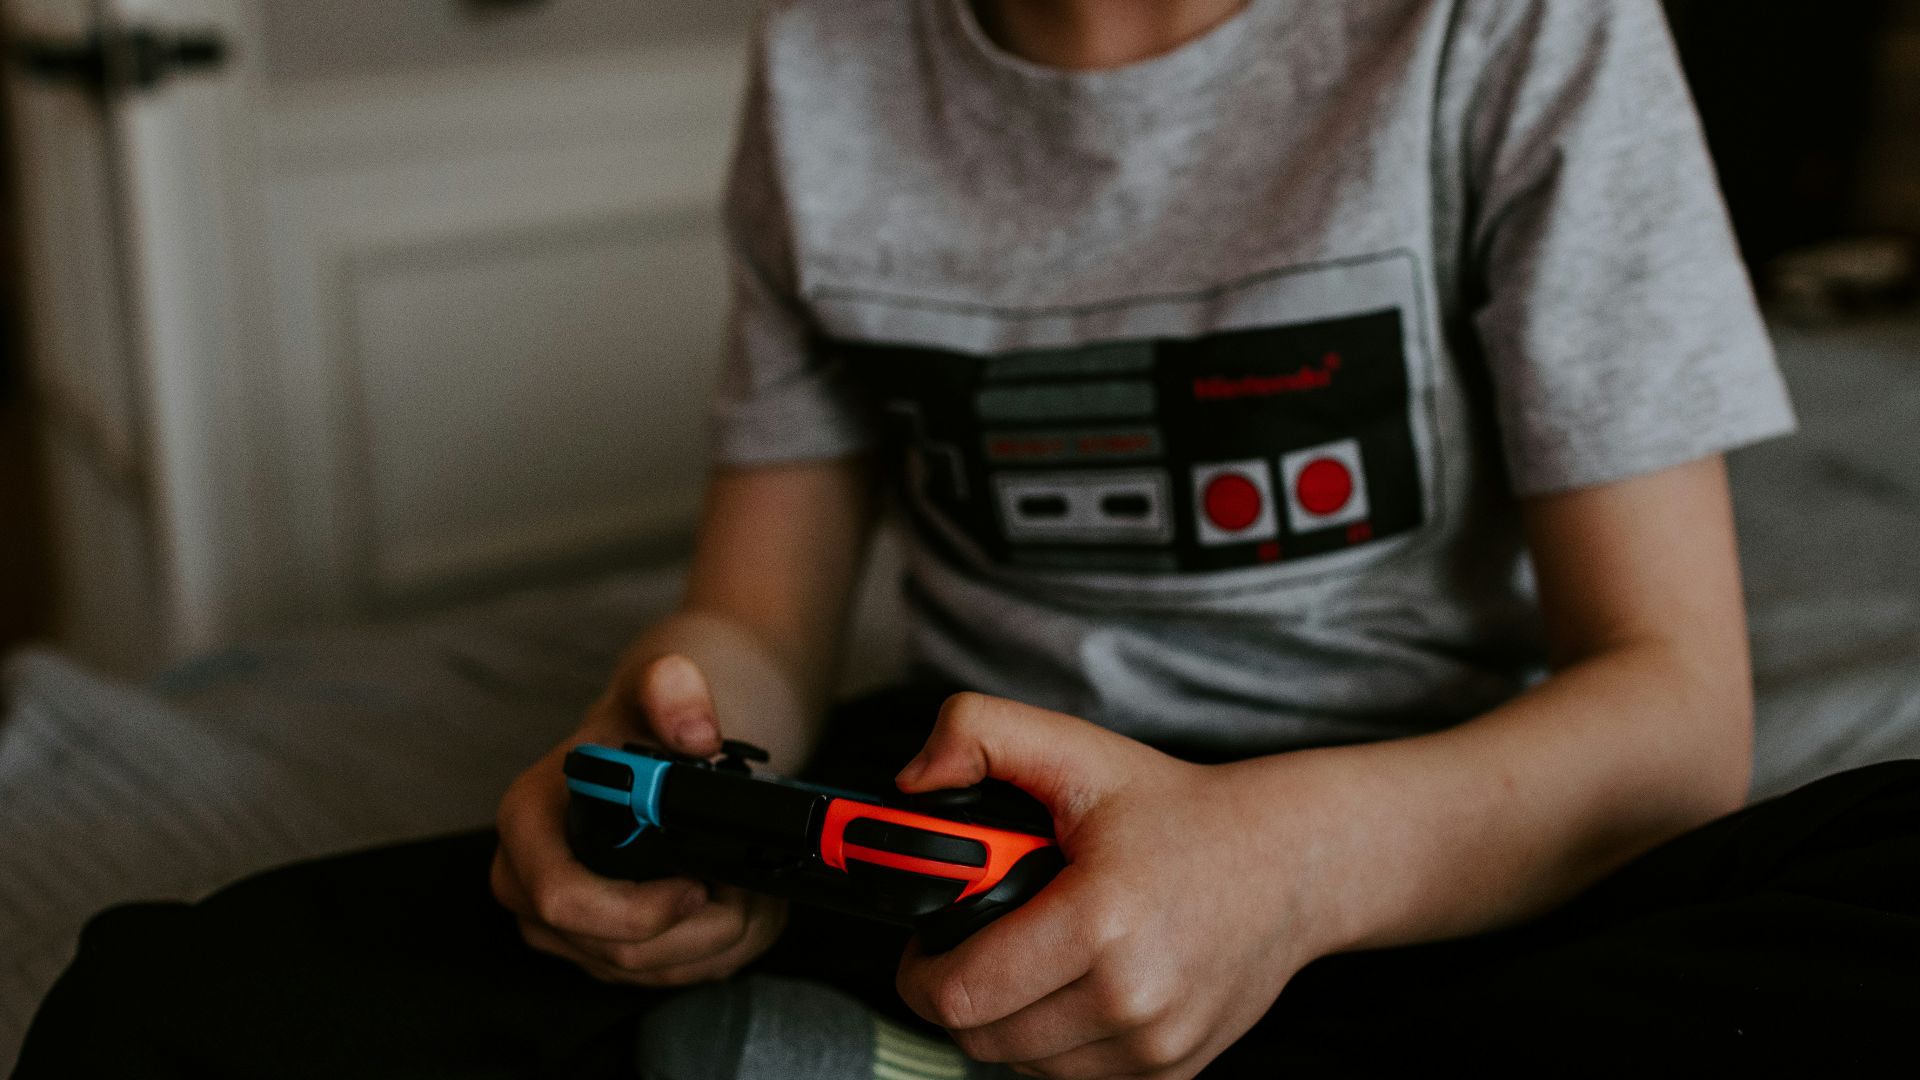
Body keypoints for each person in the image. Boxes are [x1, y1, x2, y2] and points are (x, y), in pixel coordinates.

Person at [17, 1, 1920, 1077]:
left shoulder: (1522, 30)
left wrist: (1283, 872)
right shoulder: (831, 60)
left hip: (1412, 858)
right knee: (161, 1008)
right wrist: (663, 768)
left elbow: (1674, 715)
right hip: (951, 854)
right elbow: (755, 623)